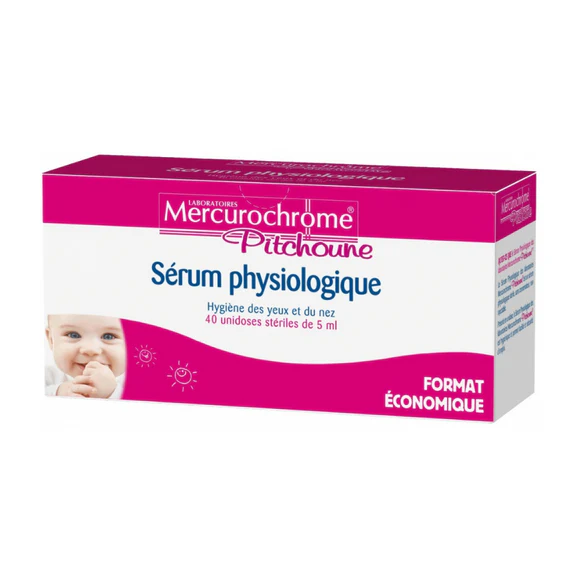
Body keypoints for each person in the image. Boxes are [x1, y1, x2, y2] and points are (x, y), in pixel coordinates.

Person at [45, 314, 126, 398]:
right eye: (73, 335)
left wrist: (113, 393)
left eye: (109, 336)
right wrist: (59, 392)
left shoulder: (132, 383)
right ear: (51, 340)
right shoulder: (47, 376)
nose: (91, 349)